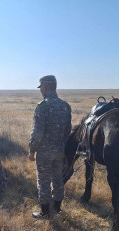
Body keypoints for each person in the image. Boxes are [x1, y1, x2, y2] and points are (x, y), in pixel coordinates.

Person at [28, 75, 72, 218]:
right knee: (58, 179)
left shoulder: (43, 107)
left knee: (44, 180)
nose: (40, 90)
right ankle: (58, 209)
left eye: (41, 87)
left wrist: (32, 150)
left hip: (45, 152)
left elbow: (37, 133)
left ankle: (45, 212)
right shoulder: (65, 106)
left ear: (45, 87)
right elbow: (67, 130)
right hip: (60, 150)